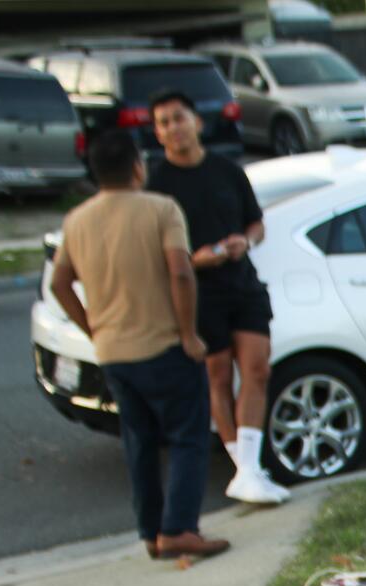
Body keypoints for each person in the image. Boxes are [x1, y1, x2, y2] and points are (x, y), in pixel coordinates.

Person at [50, 130, 229, 561]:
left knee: (140, 443)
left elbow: (60, 283)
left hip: (114, 354)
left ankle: (151, 532)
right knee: (188, 437)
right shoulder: (161, 209)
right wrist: (189, 334)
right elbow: (181, 273)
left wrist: (93, 328)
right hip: (163, 346)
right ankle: (180, 529)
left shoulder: (77, 220)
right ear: (136, 166)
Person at [147, 88, 290, 505]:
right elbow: (158, 254)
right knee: (219, 377)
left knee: (258, 369)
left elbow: (256, 223)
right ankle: (245, 469)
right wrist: (196, 260)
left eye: (179, 117)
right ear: (158, 134)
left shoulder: (227, 170)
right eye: (164, 122)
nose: (174, 128)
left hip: (241, 283)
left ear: (197, 122)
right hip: (196, 290)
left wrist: (244, 242)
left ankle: (248, 470)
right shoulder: (158, 186)